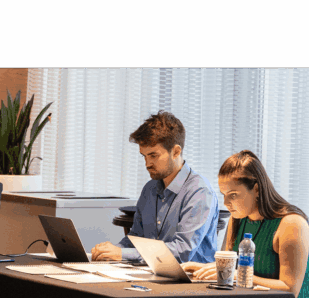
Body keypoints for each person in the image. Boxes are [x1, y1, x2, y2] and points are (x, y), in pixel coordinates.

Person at [183, 150, 309, 298]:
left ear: (257, 189)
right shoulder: (237, 219)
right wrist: (200, 268)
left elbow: (290, 289)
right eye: (224, 195)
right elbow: (232, 270)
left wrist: (240, 276)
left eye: (233, 195)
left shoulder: (292, 224)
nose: (226, 203)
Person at [90, 111, 219, 264]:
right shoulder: (149, 189)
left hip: (189, 281)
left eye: (153, 155)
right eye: (144, 156)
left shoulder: (199, 192)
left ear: (176, 152)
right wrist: (110, 251)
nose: (147, 164)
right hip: (150, 276)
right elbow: (135, 239)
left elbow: (182, 251)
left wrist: (121, 253)